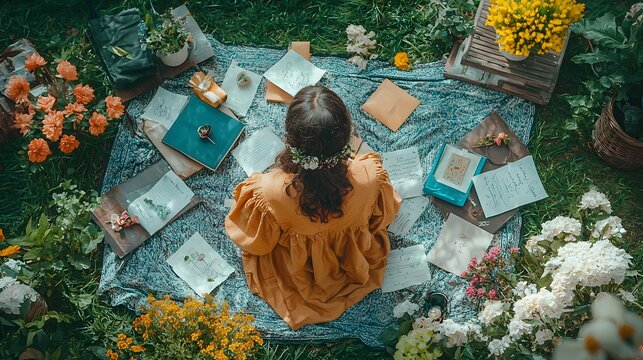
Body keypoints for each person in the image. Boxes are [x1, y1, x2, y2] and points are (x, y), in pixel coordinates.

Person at [225, 85, 401, 330]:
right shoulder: (371, 174)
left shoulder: (268, 191)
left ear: (289, 140)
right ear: (347, 137)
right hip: (355, 262)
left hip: (299, 275)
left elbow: (257, 243)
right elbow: (382, 219)